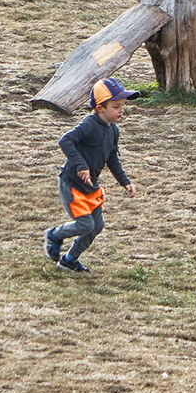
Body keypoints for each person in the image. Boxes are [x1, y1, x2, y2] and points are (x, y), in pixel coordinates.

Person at [43, 77, 139, 273]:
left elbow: (112, 158)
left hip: (90, 185)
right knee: (85, 224)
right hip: (72, 183)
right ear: (100, 108)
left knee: (96, 226)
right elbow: (66, 141)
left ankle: (69, 260)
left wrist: (125, 181)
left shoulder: (114, 130)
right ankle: (54, 235)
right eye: (116, 106)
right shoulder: (89, 125)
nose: (121, 110)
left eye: (122, 106)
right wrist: (81, 165)